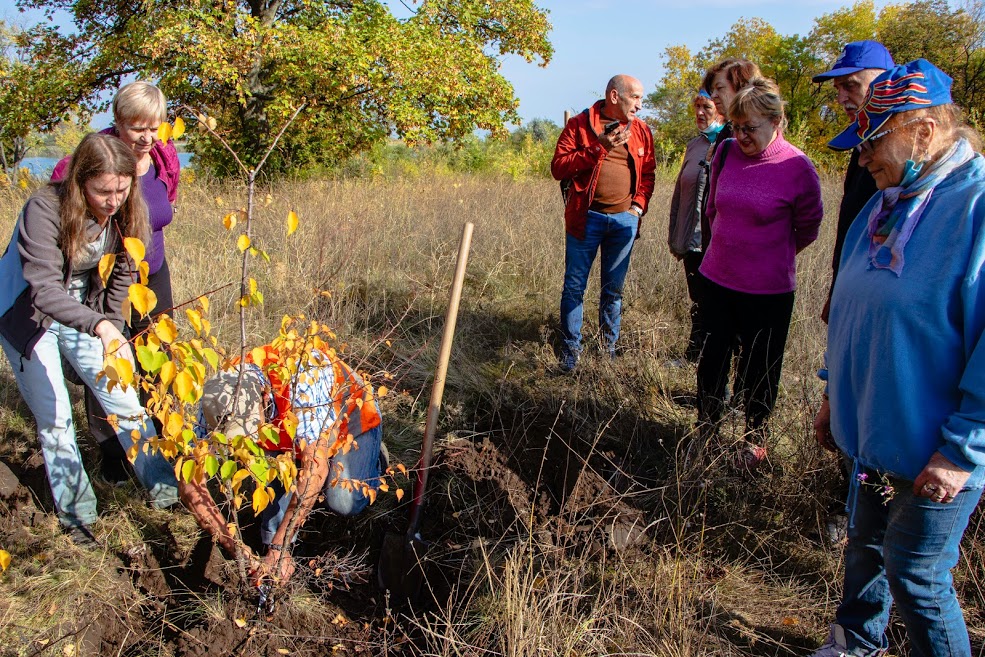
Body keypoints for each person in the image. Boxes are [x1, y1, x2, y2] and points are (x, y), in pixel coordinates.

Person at [812, 59, 985, 657]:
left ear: (924, 132)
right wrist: (835, 394)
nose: (862, 157)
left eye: (874, 139)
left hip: (935, 450)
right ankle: (855, 641)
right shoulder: (884, 202)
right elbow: (857, 307)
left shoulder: (976, 209)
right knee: (863, 547)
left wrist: (962, 450)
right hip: (870, 434)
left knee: (917, 577)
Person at [0, 133, 180, 544]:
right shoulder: (43, 209)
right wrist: (100, 327)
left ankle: (166, 491)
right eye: (103, 191)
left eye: (121, 189)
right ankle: (78, 514)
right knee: (56, 416)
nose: (113, 200)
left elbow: (123, 275)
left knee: (124, 400)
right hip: (28, 313)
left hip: (86, 307)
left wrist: (111, 325)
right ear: (80, 181)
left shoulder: (129, 207)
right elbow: (44, 290)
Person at [52, 81, 181, 483]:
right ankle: (111, 450)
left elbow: (165, 204)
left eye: (154, 126)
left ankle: (163, 437)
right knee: (107, 354)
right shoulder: (97, 156)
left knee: (160, 353)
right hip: (107, 274)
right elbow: (65, 199)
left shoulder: (163, 156)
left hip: (153, 273)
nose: (146, 137)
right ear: (118, 122)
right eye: (137, 127)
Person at [696, 77, 823, 468]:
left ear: (776, 121)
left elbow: (809, 226)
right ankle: (706, 432)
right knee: (712, 358)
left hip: (767, 290)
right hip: (717, 278)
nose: (741, 136)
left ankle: (755, 440)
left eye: (750, 128)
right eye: (736, 127)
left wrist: (767, 255)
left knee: (760, 367)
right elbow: (713, 206)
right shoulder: (726, 152)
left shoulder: (797, 167)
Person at [180, 343, 386, 583]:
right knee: (270, 532)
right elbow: (188, 485)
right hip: (295, 434)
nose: (245, 445)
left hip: (353, 421)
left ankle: (376, 460)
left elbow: (315, 469)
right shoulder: (217, 395)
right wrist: (236, 548)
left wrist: (279, 548)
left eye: (249, 432)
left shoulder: (304, 376)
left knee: (343, 500)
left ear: (264, 396)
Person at [551, 74, 656, 372]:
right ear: (614, 96)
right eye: (634, 97)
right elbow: (558, 168)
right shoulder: (580, 125)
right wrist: (599, 147)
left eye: (640, 97)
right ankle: (571, 354)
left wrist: (638, 207)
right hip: (587, 219)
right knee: (574, 286)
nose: (639, 103)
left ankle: (606, 354)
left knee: (613, 290)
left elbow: (648, 174)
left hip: (624, 221)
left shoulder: (642, 131)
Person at [812, 41, 894, 323]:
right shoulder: (860, 147)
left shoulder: (906, 158)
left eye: (851, 85)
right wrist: (837, 288)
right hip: (852, 292)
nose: (842, 98)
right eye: (838, 89)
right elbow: (851, 225)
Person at [667, 89, 725, 362]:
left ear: (722, 110)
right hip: (693, 238)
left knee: (714, 301)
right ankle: (695, 354)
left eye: (707, 107)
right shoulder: (694, 145)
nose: (700, 113)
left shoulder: (730, 143)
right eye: (697, 107)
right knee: (698, 298)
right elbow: (681, 190)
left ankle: (711, 356)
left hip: (716, 239)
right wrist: (677, 236)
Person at [699, 58, 762, 252]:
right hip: (717, 251)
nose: (714, 96)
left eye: (720, 88)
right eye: (712, 90)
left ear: (742, 87)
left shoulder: (761, 137)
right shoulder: (725, 135)